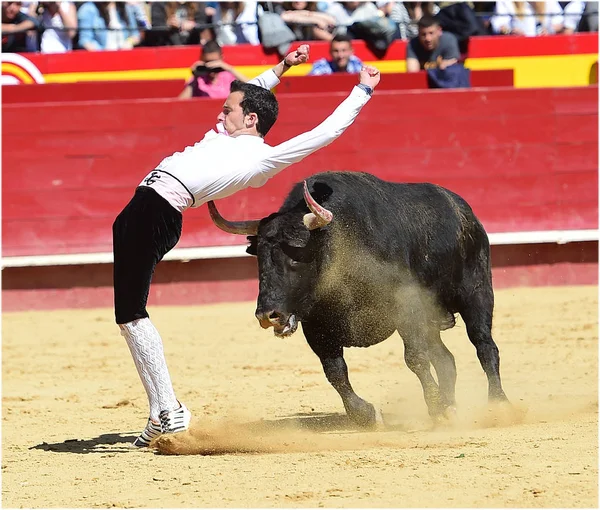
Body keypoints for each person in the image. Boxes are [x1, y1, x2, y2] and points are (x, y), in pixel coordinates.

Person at [112, 43, 381, 448]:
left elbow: (325, 132)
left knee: (131, 314)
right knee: (127, 315)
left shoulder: (261, 159)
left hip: (158, 212)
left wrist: (362, 91)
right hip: (141, 209)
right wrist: (283, 68)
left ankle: (169, 409)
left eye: (228, 110)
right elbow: (251, 91)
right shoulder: (224, 135)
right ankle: (159, 411)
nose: (219, 114)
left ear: (249, 119)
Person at [178, 40, 248, 99]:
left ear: (221, 58)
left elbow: (253, 88)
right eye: (208, 62)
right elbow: (181, 103)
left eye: (214, 62)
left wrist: (230, 69)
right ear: (202, 59)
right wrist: (195, 77)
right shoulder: (198, 79)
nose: (212, 66)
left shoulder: (229, 76)